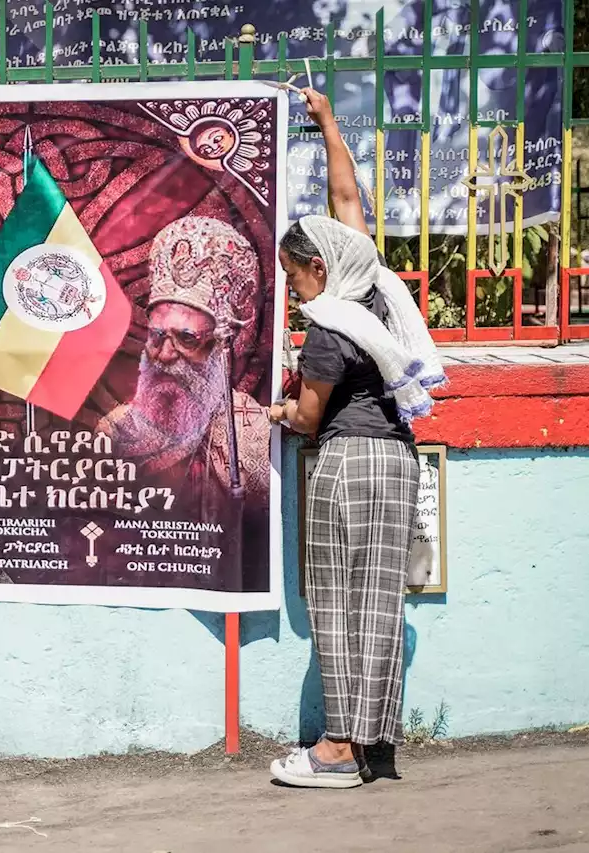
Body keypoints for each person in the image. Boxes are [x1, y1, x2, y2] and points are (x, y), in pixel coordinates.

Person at [267, 90, 445, 790]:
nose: (292, 286)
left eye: (292, 274)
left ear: (317, 266)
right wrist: (329, 123)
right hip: (397, 459)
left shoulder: (329, 322)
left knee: (335, 602)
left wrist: (274, 411)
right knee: (379, 601)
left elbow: (310, 418)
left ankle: (336, 748)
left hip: (345, 461)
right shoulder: (372, 284)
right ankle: (375, 744)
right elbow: (347, 198)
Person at [97, 216, 273, 510]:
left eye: (187, 338)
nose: (165, 355)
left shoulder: (252, 428)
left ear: (219, 346)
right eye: (156, 336)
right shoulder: (117, 431)